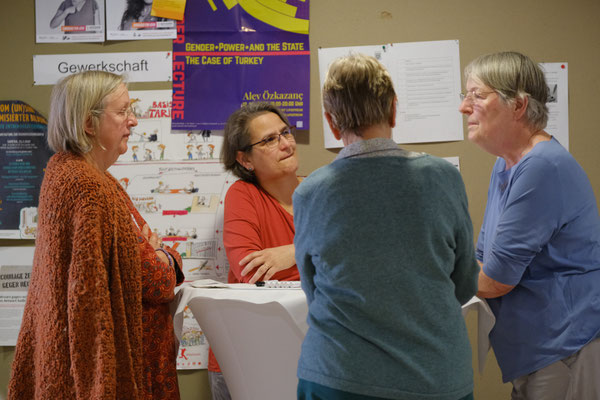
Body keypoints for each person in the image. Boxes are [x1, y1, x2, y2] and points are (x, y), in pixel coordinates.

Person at [293, 53, 479, 400]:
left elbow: (313, 289)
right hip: (435, 377)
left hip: (339, 376)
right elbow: (465, 283)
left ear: (331, 123)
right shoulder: (443, 178)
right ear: (394, 110)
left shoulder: (310, 192)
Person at [8, 71, 184, 400]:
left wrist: (161, 255)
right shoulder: (86, 185)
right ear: (89, 124)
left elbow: (148, 255)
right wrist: (166, 259)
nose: (133, 121)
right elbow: (155, 277)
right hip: (120, 374)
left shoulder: (90, 178)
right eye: (122, 111)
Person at [459, 51, 600, 399]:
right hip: (538, 345)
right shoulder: (506, 164)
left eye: (477, 95)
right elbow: (483, 254)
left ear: (518, 105)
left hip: (564, 344)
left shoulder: (541, 167)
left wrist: (425, 275)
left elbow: (494, 279)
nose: (464, 107)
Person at [204, 102, 301, 400]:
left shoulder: (320, 192)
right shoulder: (243, 195)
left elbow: (351, 261)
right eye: (269, 140)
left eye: (285, 132)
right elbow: (253, 273)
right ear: (245, 159)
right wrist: (316, 256)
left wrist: (293, 253)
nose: (285, 144)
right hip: (248, 356)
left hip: (306, 348)